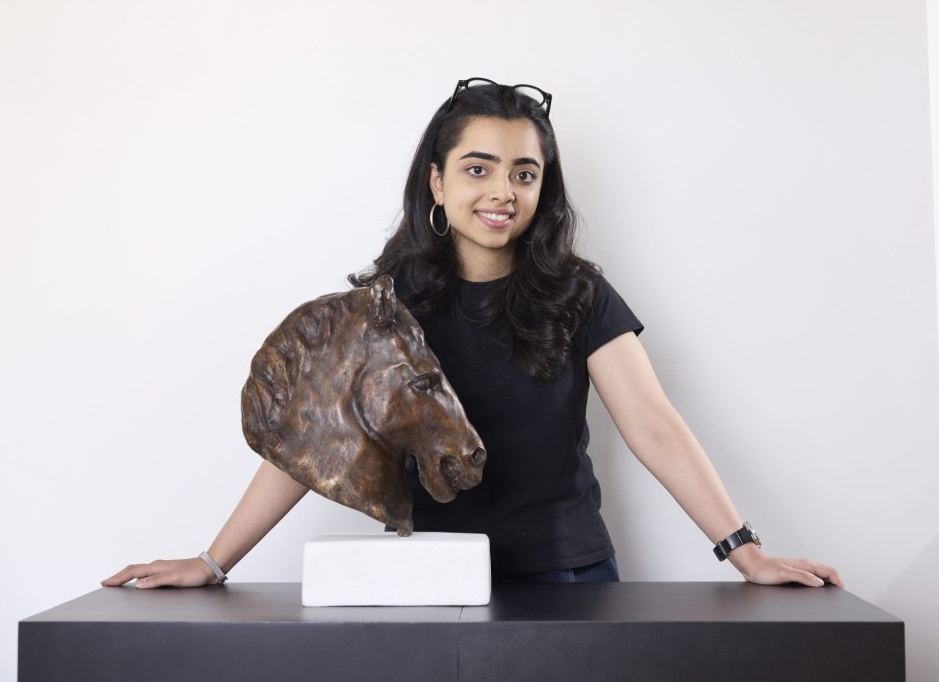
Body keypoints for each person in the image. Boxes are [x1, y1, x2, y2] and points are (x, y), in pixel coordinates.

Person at [103, 78, 842, 589]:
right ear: (437, 181)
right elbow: (311, 443)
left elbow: (654, 425)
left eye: (524, 173)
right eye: (479, 168)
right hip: (428, 577)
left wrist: (746, 553)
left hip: (568, 575)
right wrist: (213, 561)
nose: (502, 192)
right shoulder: (383, 308)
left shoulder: (580, 294)